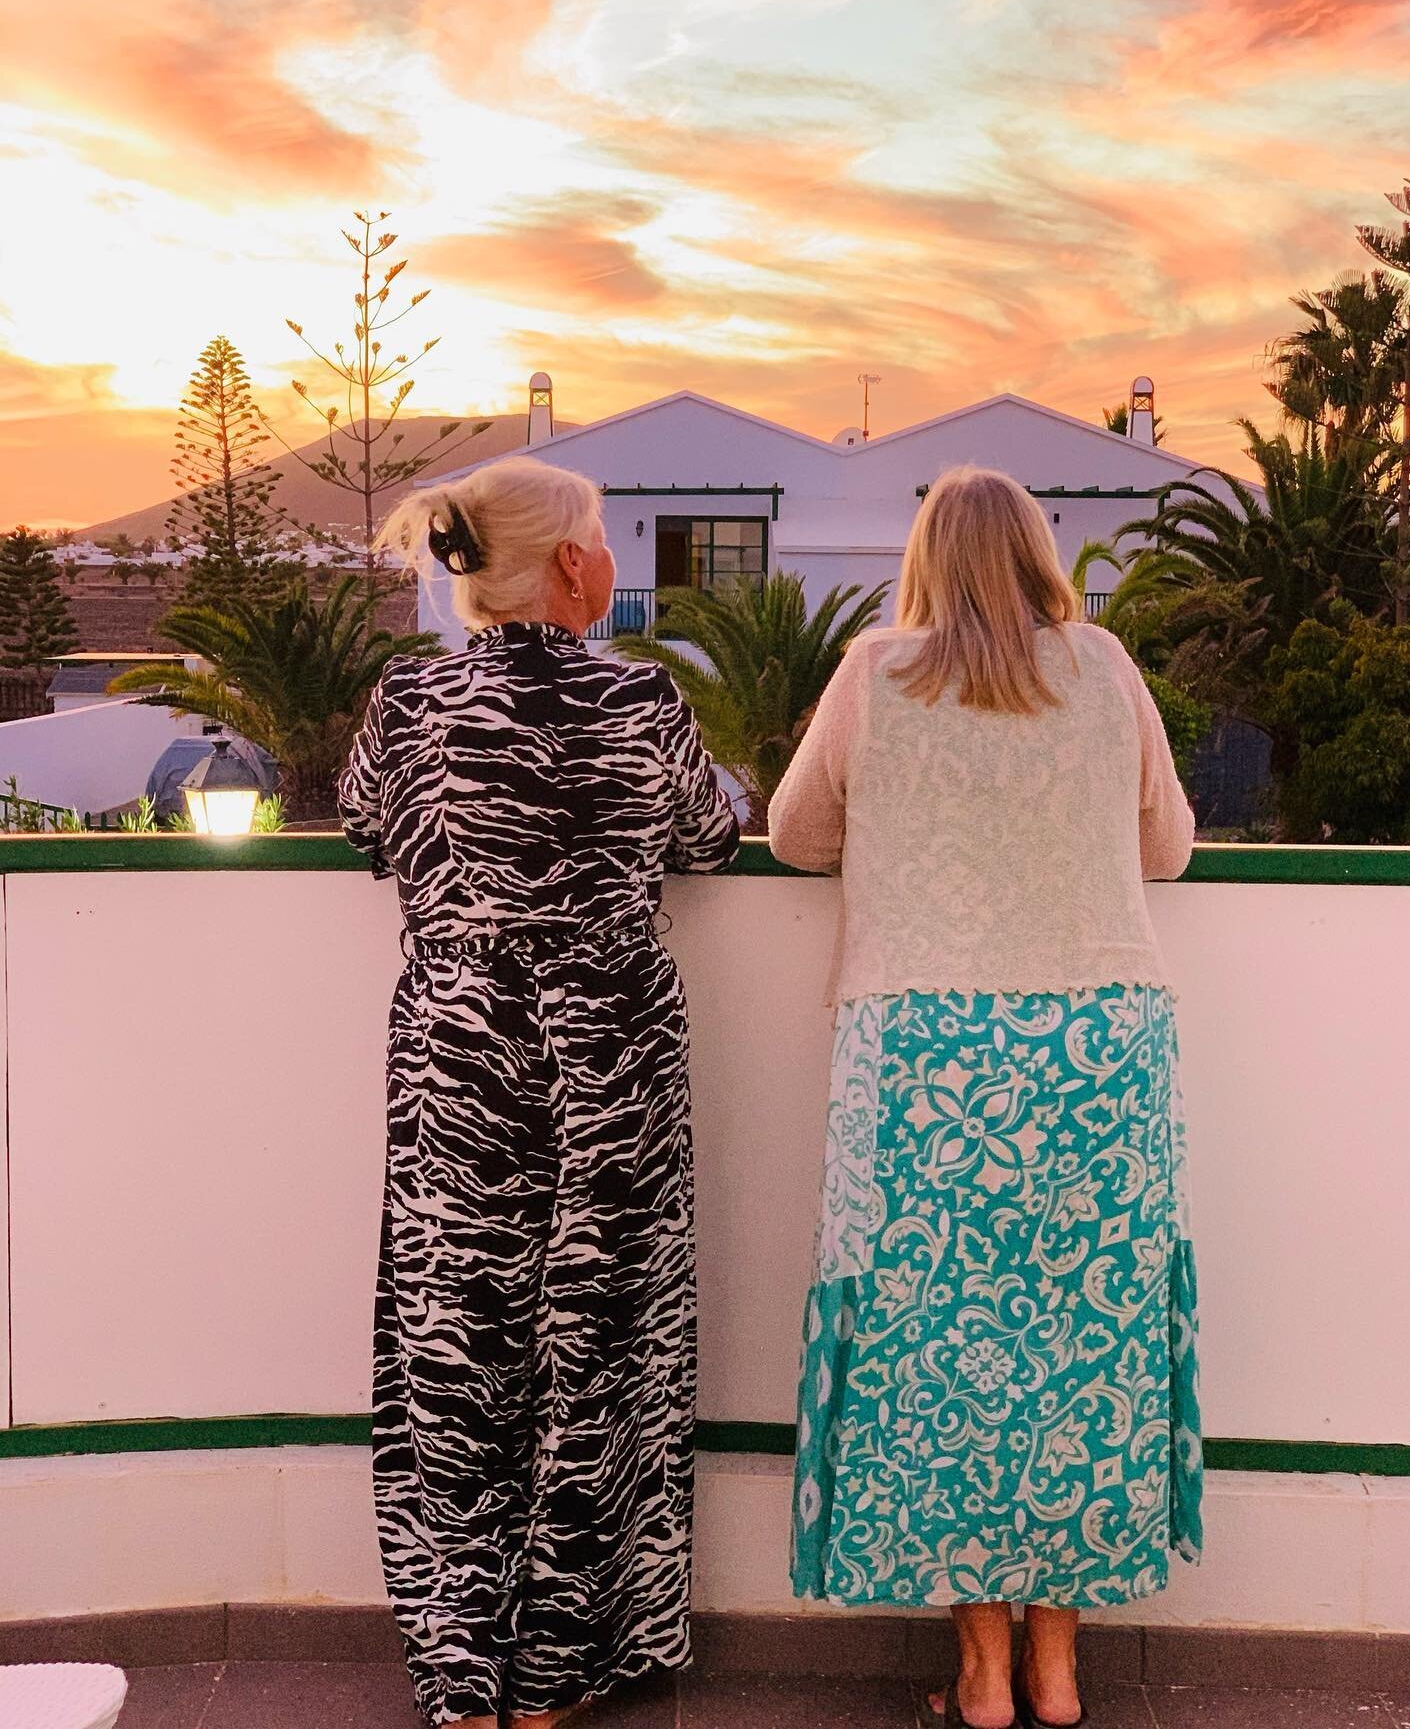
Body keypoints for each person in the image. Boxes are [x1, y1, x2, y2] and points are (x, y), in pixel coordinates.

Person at [768, 465, 1202, 1729]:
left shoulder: (872, 673)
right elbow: (1168, 846)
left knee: (931, 1353)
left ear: (925, 560)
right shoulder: (1108, 668)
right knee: (1084, 1351)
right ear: (1039, 556)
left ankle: (982, 1674)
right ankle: (1061, 1667)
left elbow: (796, 833)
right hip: (1095, 1054)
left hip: (924, 1055)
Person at [338, 457, 739, 1729]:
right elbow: (712, 836)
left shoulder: (408, 703)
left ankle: (461, 1672)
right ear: (574, 566)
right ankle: (559, 1669)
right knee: (599, 1338)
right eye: (607, 539)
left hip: (460, 1050)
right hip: (610, 1048)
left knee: (459, 1344)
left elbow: (363, 826)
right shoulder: (643, 698)